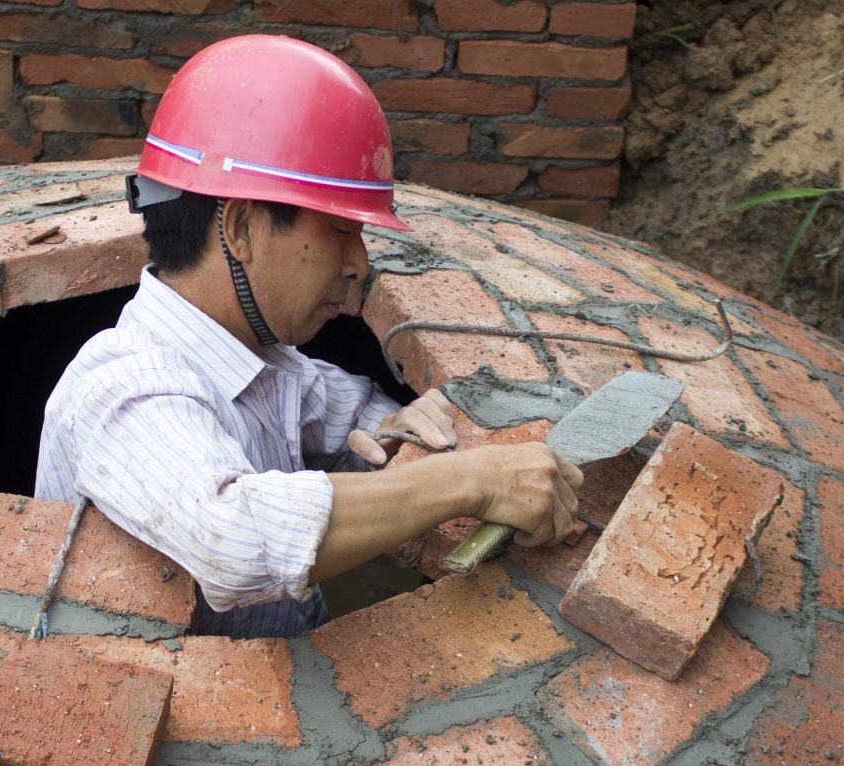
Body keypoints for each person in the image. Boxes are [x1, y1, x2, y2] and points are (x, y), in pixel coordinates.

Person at [35, 35, 583, 639]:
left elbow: (368, 421)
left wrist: (410, 439)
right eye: (339, 229)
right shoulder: (126, 385)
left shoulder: (266, 363)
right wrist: (472, 481)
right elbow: (234, 541)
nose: (359, 262)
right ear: (242, 227)